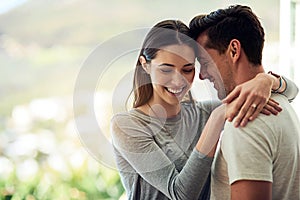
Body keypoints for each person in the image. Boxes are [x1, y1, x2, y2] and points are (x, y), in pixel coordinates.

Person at [111, 19, 297, 200]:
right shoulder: (127, 126)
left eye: (187, 69)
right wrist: (217, 118)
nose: (178, 81)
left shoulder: (204, 112)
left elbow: (292, 92)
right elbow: (180, 194)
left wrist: (266, 80)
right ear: (145, 65)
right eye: (166, 70)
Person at [190, 5, 300, 200]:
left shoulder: (243, 122)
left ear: (234, 50)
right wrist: (268, 79)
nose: (202, 75)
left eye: (205, 62)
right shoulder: (282, 102)